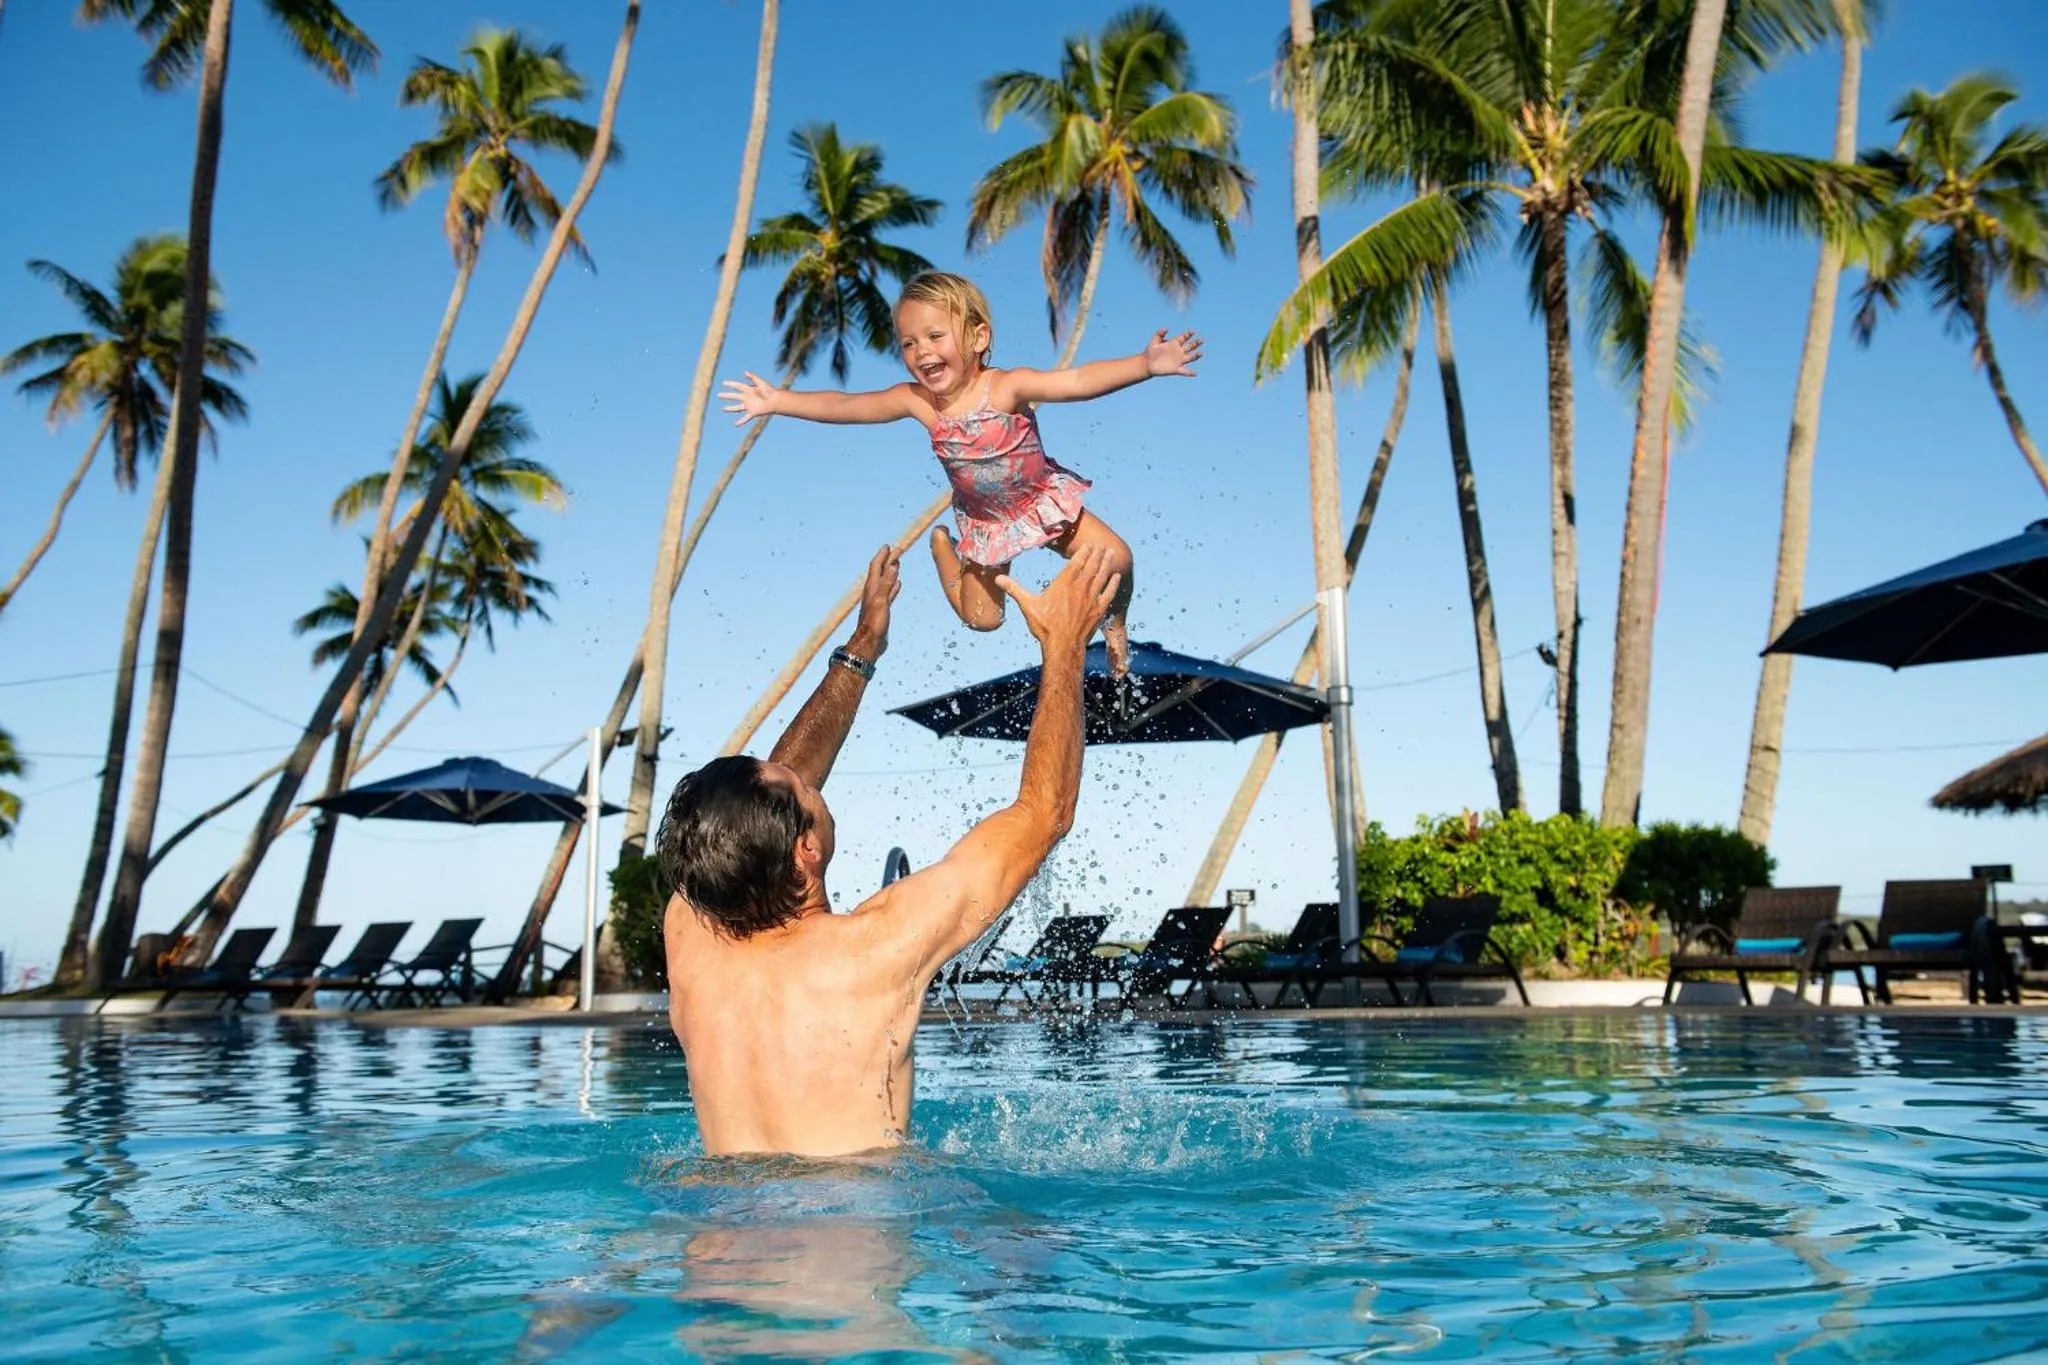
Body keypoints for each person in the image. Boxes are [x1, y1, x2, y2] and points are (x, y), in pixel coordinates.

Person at [658, 542, 1121, 1158]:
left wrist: (861, 651)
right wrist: (1064, 647)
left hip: (715, 1235)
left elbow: (755, 813)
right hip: (849, 1234)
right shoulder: (875, 949)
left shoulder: (691, 937)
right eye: (807, 790)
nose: (811, 781)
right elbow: (1043, 815)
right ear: (805, 851)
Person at [718, 269, 1199, 679]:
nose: (921, 350)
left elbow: (1075, 382)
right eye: (908, 343)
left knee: (1118, 557)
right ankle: (944, 550)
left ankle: (1116, 625)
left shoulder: (1009, 386)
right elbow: (850, 405)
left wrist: (1145, 364)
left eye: (934, 336)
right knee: (982, 619)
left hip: (1039, 500)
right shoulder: (920, 403)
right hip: (987, 524)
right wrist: (779, 401)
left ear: (977, 337)